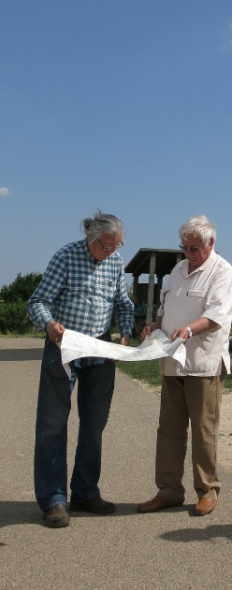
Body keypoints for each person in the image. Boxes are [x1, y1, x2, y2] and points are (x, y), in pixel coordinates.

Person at [27, 211, 134, 528]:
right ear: (91, 237)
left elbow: (123, 303)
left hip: (100, 348)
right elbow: (38, 301)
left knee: (94, 424)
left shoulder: (115, 262)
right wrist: (49, 324)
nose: (111, 252)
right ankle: (53, 499)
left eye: (117, 246)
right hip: (64, 345)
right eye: (106, 246)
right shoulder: (66, 256)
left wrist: (125, 335)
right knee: (52, 423)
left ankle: (85, 492)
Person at [138, 215, 232, 517]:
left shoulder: (222, 271)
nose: (189, 254)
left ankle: (207, 491)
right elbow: (169, 309)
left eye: (195, 248)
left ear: (211, 243)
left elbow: (217, 315)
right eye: (185, 247)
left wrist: (190, 329)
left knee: (204, 431)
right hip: (172, 362)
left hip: (203, 364)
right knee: (169, 430)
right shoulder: (178, 270)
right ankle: (168, 491)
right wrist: (155, 325)